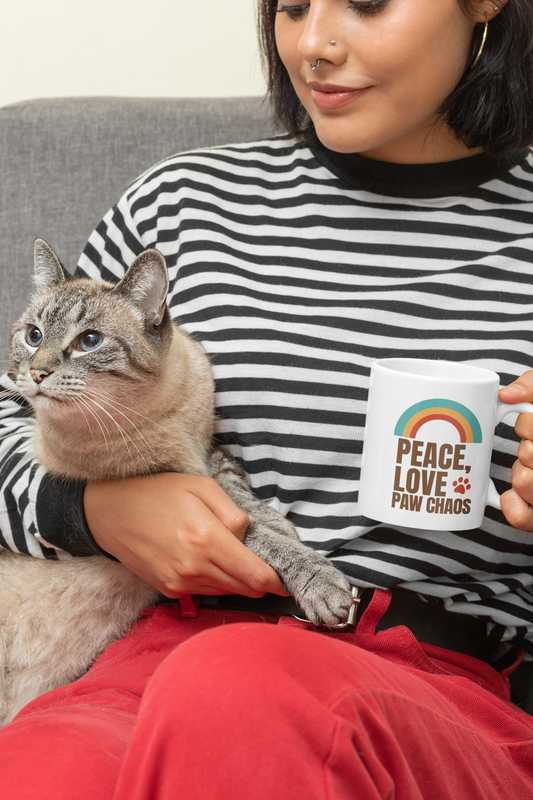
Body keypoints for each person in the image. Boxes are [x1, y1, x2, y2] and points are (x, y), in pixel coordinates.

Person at [1, 0, 533, 796]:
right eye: (291, 7)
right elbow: (13, 414)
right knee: (41, 772)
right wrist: (90, 512)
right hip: (149, 654)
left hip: (429, 689)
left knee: (239, 686)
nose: (312, 45)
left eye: (364, 3)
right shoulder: (181, 203)